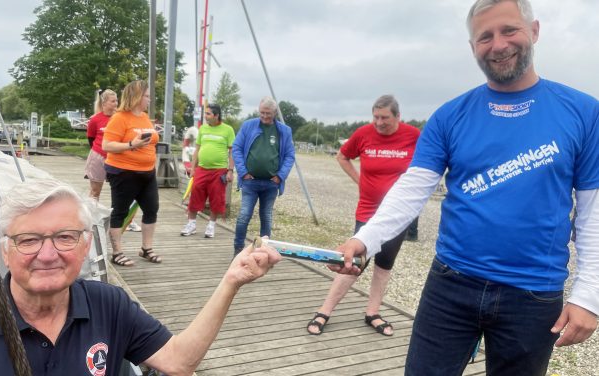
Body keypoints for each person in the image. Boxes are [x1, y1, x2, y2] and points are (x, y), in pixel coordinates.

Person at [333, 1, 599, 375]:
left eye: (509, 30)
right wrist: (365, 240)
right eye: (484, 37)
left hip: (534, 294)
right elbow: (412, 189)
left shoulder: (584, 113)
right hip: (451, 284)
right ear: (472, 47)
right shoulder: (450, 115)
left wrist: (589, 296)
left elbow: (592, 213)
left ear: (534, 31)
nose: (498, 44)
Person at [0, 179, 281, 375]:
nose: (48, 254)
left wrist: (231, 281)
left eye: (65, 237)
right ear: (5, 250)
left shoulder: (108, 304)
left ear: (86, 246)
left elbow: (178, 361)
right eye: (29, 240)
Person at [306, 95, 420, 336]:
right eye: (375, 117)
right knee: (355, 261)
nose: (378, 122)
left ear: (398, 116)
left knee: (385, 262)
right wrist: (359, 180)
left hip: (397, 213)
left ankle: (372, 312)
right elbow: (342, 156)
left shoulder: (413, 136)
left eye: (384, 118)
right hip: (368, 210)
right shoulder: (364, 133)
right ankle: (324, 310)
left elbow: (426, 166)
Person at [102, 80, 161, 266]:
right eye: (147, 96)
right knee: (120, 211)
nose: (149, 100)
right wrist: (131, 145)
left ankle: (146, 248)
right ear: (136, 97)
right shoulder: (120, 118)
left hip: (147, 173)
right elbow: (106, 145)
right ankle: (117, 252)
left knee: (152, 209)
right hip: (123, 172)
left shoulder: (144, 117)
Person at [231, 97, 296, 256]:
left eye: (268, 114)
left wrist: (280, 176)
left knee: (266, 217)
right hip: (249, 182)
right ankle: (238, 250)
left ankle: (262, 250)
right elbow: (237, 148)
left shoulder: (284, 131)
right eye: (262, 113)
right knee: (244, 215)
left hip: (271, 184)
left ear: (274, 113)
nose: (265, 116)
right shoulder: (248, 126)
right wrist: (243, 172)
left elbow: (289, 155)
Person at [85, 88, 141, 232]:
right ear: (104, 102)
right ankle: (91, 219)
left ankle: (126, 221)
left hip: (116, 159)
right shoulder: (95, 119)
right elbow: (91, 138)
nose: (116, 103)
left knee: (121, 192)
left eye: (117, 100)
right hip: (98, 157)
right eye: (113, 101)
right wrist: (101, 151)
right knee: (95, 191)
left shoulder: (120, 117)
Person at [180, 104, 235, 238]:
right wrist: (193, 168)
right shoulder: (203, 129)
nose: (206, 116)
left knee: (216, 198)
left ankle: (211, 226)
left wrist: (230, 171)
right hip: (202, 169)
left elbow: (232, 152)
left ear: (216, 116)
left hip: (219, 170)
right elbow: (197, 149)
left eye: (208, 114)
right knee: (195, 194)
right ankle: (191, 224)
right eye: (206, 114)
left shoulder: (228, 130)